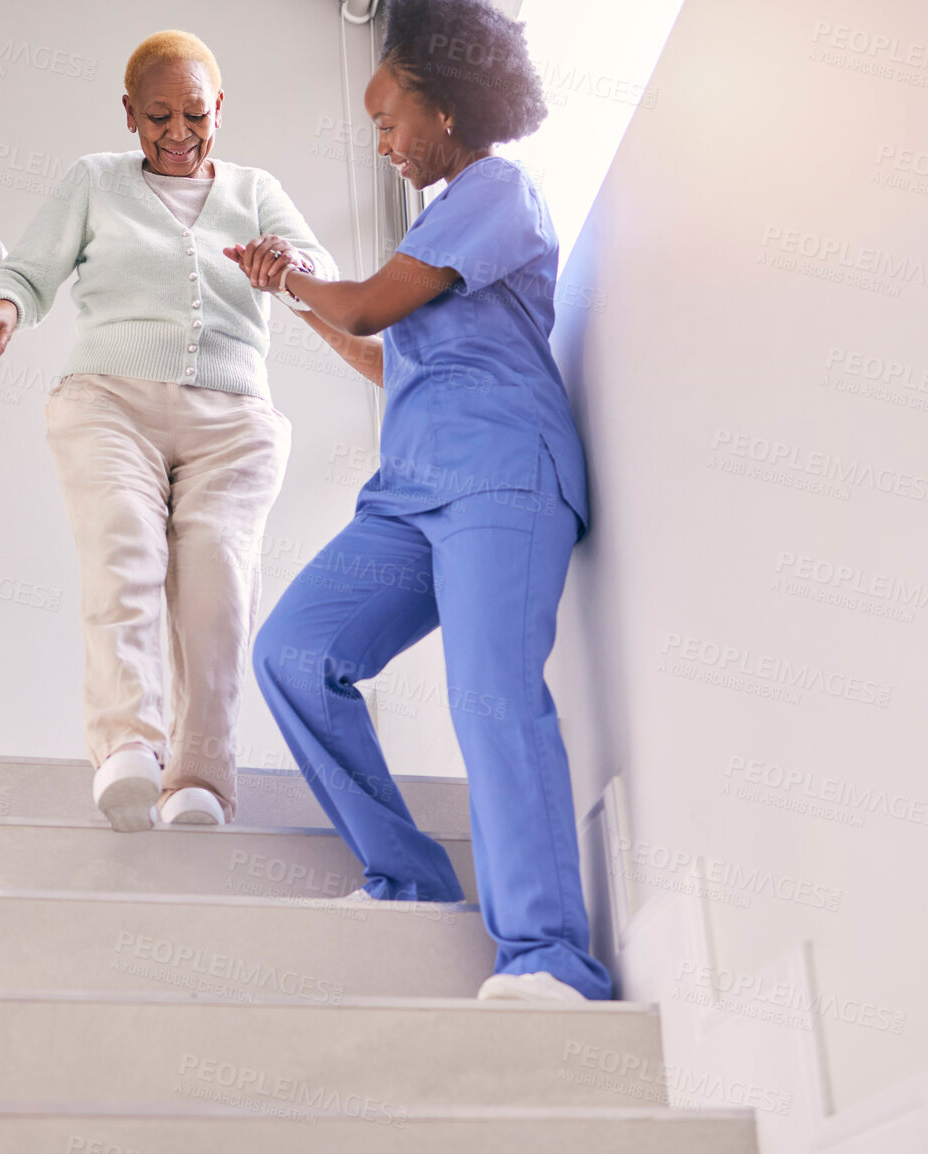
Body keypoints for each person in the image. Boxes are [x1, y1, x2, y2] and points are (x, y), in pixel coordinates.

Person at [232, 0, 613, 1002]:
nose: (385, 140)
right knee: (295, 653)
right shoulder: (438, 227)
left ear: (444, 105)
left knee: (490, 695)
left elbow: (362, 302)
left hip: (503, 476)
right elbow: (381, 351)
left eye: (389, 116)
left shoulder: (497, 191)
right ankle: (408, 876)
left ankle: (548, 954)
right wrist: (299, 295)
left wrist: (307, 281)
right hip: (410, 493)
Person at [0, 30, 336, 831]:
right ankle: (128, 747)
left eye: (194, 114)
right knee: (123, 548)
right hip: (110, 403)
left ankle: (199, 776)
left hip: (231, 419)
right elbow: (28, 271)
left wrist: (287, 265)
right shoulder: (94, 182)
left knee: (217, 588)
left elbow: (321, 273)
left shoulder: (255, 187)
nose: (177, 132)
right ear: (128, 115)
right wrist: (0, 309)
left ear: (219, 109)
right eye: (157, 115)